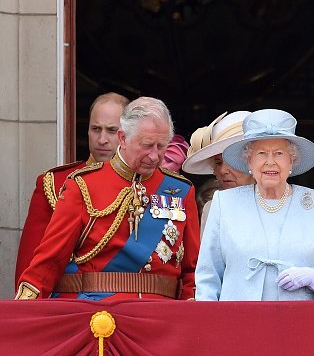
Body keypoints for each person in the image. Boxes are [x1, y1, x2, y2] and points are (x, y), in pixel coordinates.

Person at [15, 97, 200, 300]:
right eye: (147, 145)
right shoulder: (83, 185)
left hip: (162, 318)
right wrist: (23, 315)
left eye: (161, 146)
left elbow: (193, 272)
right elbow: (48, 262)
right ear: (122, 138)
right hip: (97, 316)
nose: (155, 156)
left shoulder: (181, 191)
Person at [195, 108, 314, 301]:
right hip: (238, 324)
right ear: (249, 162)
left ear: (292, 161)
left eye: (279, 153)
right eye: (261, 153)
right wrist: (211, 325)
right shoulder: (224, 204)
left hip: (300, 323)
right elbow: (207, 279)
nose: (270, 162)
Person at [14, 92, 129, 289]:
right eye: (95, 129)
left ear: (126, 135)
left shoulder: (145, 185)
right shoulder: (54, 183)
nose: (102, 139)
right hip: (69, 303)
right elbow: (29, 265)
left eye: (111, 130)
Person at [182, 111, 255, 237]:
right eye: (218, 162)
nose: (222, 170)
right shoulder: (213, 209)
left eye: (231, 161)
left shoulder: (289, 204)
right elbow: (207, 256)